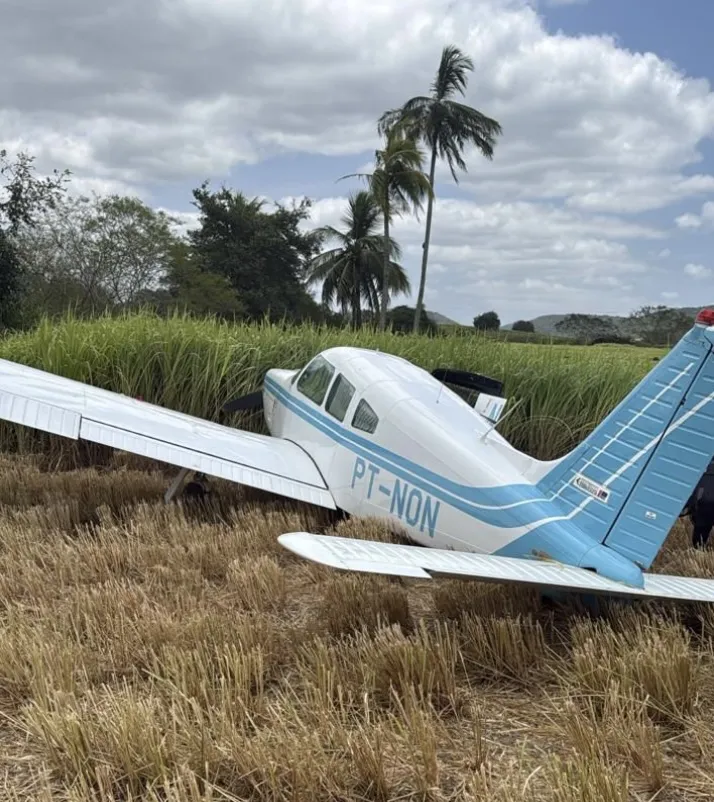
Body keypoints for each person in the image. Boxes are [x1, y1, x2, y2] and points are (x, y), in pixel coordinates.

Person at [682, 457, 714, 548]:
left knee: (699, 542)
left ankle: (699, 550)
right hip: (704, 505)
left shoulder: (699, 469)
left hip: (703, 509)